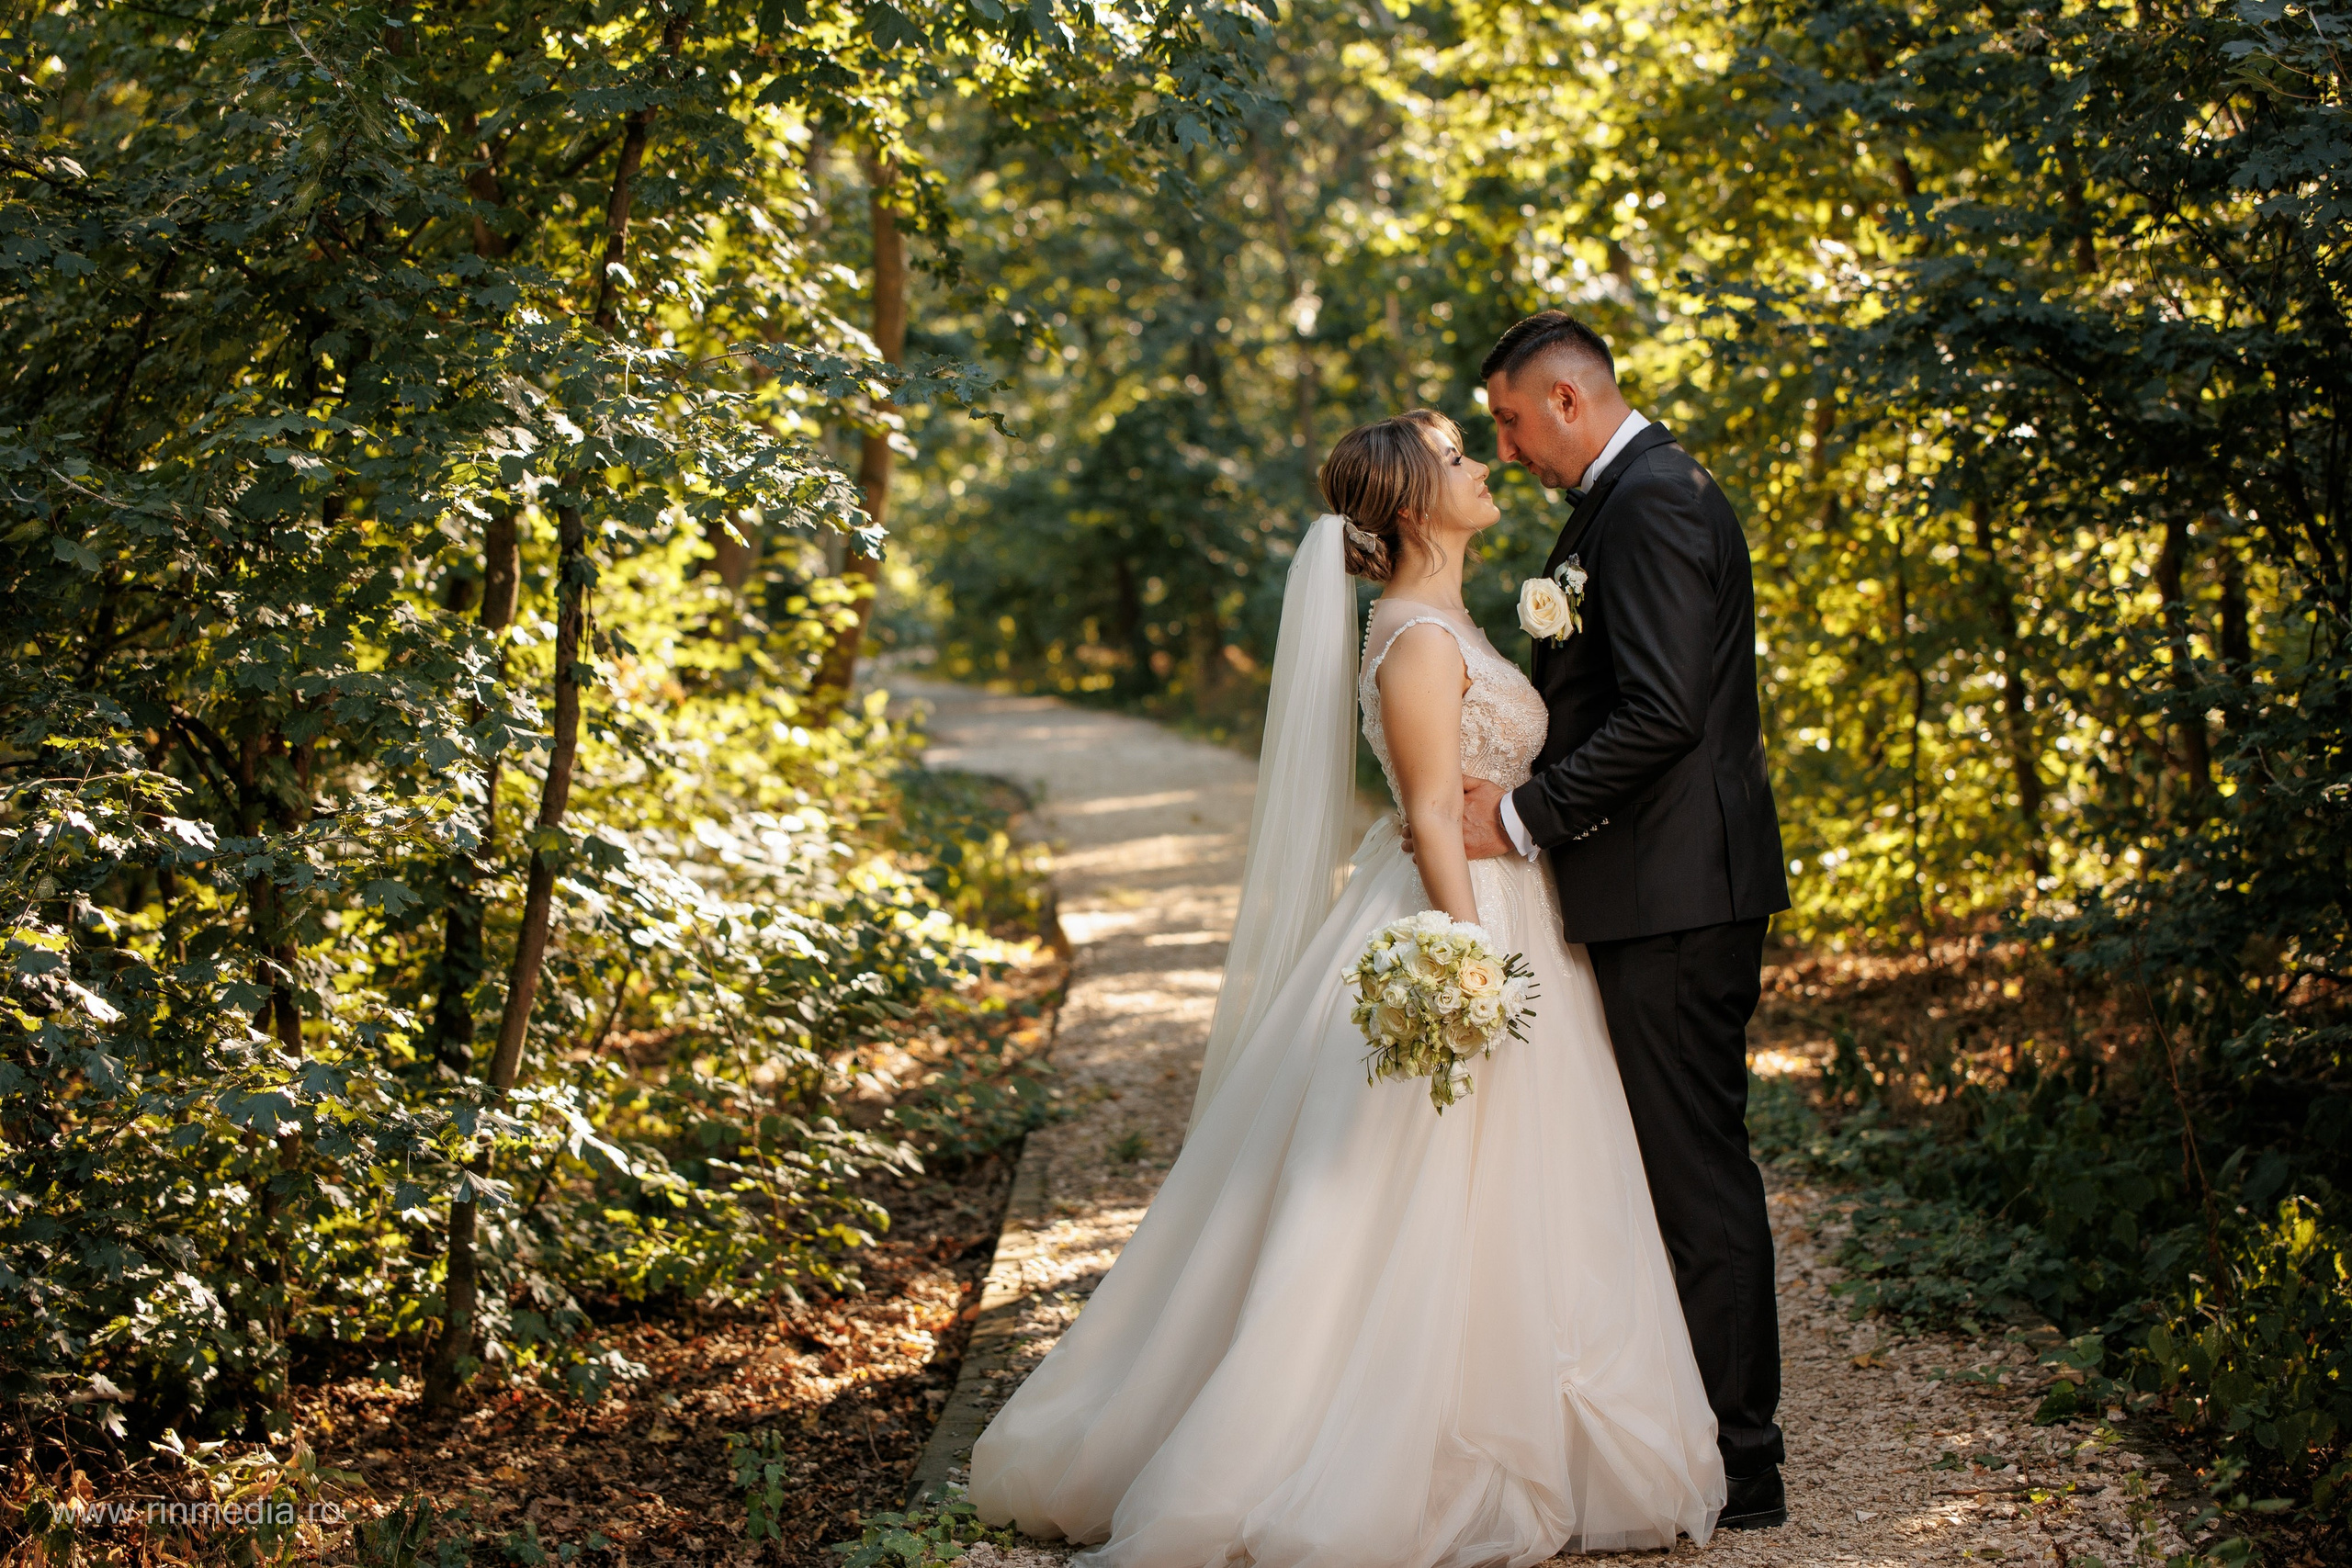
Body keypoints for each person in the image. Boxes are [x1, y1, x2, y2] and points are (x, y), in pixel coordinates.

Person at [967, 408, 1724, 1567]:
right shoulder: (1416, 639)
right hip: (1461, 921)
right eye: (1459, 457)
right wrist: (1474, 963)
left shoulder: (1447, 617)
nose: (1484, 465)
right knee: (1422, 1184)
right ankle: (1374, 1446)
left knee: (1531, 1184)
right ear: (1415, 502)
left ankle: (1535, 1420)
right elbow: (1428, 814)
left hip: (1515, 907)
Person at [1472, 310, 1792, 1529]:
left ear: (1566, 398)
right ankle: (1695, 1436)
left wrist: (1519, 815)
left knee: (1692, 1168)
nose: (1504, 449)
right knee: (1665, 1165)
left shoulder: (1652, 502)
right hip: (1659, 886)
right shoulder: (1623, 501)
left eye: (1508, 419)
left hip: (1676, 894)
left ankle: (1740, 1461)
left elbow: (1661, 714)